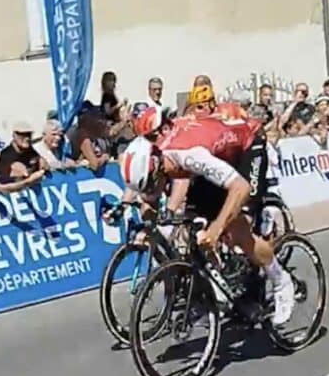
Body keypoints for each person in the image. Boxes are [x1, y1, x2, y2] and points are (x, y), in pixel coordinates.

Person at [118, 114, 295, 326]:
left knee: (237, 230)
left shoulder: (188, 156)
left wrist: (217, 228)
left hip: (248, 146)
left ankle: (280, 280)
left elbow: (241, 187)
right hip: (216, 156)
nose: (148, 193)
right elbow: (151, 198)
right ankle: (219, 296)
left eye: (149, 186)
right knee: (195, 229)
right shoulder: (157, 157)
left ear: (156, 168)